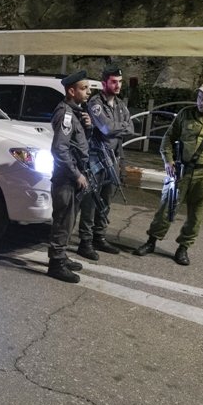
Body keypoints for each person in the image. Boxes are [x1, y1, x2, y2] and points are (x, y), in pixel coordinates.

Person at [132, 81, 203, 265]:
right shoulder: (185, 115)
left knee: (197, 214)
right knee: (166, 208)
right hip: (181, 170)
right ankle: (151, 242)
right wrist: (168, 160)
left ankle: (183, 248)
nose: (200, 102)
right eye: (199, 97)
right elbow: (168, 139)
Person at [77, 63, 134, 260]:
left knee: (106, 200)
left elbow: (131, 129)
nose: (117, 86)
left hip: (113, 158)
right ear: (104, 83)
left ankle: (98, 237)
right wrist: (119, 127)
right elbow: (106, 129)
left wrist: (122, 163)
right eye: (113, 82)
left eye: (119, 82)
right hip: (96, 159)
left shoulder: (120, 105)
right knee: (91, 201)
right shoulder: (95, 103)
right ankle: (85, 242)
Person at [47, 70, 92, 283]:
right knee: (63, 220)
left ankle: (61, 255)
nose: (88, 92)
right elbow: (59, 150)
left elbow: (78, 143)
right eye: (84, 88)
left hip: (73, 176)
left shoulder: (76, 113)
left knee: (69, 219)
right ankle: (56, 264)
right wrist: (76, 175)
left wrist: (87, 127)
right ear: (71, 91)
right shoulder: (65, 113)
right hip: (66, 178)